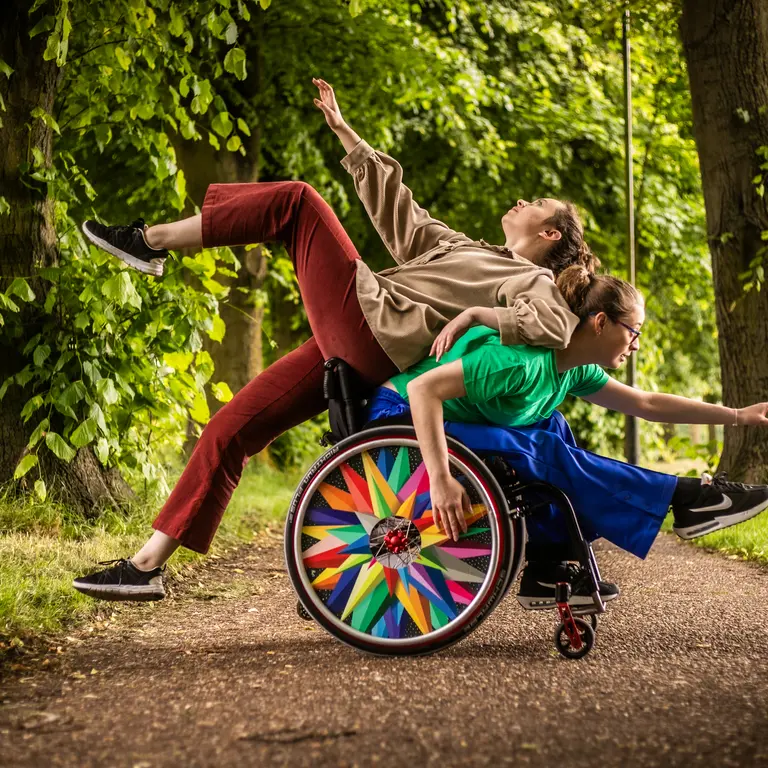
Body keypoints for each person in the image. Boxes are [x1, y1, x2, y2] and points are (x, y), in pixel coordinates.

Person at [73, 79, 598, 601]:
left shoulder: (533, 279)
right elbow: (402, 215)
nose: (524, 200)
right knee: (232, 426)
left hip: (376, 328)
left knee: (297, 203)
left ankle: (149, 242)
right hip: (357, 339)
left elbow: (556, 327)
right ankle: (145, 566)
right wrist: (348, 135)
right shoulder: (468, 248)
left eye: (538, 203)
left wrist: (483, 315)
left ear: (549, 234)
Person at [361, 265, 768, 610]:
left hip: (437, 416)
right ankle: (686, 497)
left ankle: (548, 563)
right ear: (601, 322)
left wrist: (736, 415)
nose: (636, 345)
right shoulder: (519, 361)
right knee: (542, 448)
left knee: (552, 426)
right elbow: (422, 391)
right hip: (398, 416)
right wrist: (440, 477)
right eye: (634, 332)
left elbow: (647, 403)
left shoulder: (572, 368)